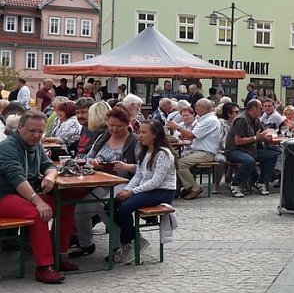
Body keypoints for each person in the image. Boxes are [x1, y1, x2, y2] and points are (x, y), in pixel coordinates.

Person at [0, 111, 74, 283]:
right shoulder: (7, 148)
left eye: (40, 132)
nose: (37, 135)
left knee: (66, 204)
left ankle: (60, 256)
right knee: (38, 212)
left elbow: (49, 166)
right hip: (4, 196)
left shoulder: (36, 145)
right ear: (19, 128)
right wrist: (38, 201)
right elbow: (17, 179)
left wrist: (49, 176)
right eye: (32, 131)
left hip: (24, 195)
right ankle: (44, 267)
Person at [73, 106, 139, 259]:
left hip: (125, 180)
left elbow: (143, 168)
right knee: (81, 209)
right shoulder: (103, 136)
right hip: (102, 179)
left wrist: (126, 166)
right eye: (111, 125)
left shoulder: (135, 141)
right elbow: (88, 158)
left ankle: (119, 245)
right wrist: (93, 162)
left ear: (127, 124)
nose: (114, 129)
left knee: (104, 204)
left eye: (118, 126)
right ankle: (86, 244)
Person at [112, 121, 176, 265]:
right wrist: (127, 189)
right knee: (111, 205)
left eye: (143, 132)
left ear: (154, 135)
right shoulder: (145, 152)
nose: (140, 135)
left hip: (163, 191)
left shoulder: (163, 154)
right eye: (139, 132)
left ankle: (127, 243)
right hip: (148, 188)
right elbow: (139, 175)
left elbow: (156, 181)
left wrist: (132, 192)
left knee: (125, 207)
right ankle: (136, 238)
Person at [225, 100, 278, 198]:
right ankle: (235, 184)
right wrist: (255, 138)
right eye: (261, 108)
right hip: (235, 150)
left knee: (273, 154)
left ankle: (261, 182)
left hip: (250, 150)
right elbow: (238, 141)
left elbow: (261, 134)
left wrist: (266, 137)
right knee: (249, 161)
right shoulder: (241, 119)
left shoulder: (256, 119)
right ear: (254, 108)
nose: (262, 110)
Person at [170, 99, 220, 201]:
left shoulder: (209, 120)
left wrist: (177, 127)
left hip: (205, 153)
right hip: (197, 151)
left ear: (204, 108)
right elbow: (195, 136)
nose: (196, 108)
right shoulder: (204, 119)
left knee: (179, 164)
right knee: (173, 158)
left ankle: (194, 188)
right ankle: (180, 188)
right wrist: (186, 137)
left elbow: (192, 134)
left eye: (197, 106)